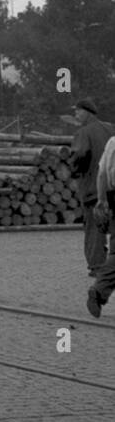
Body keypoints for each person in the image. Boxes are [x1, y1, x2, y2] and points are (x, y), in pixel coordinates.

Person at [70, 97, 114, 275]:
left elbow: (79, 155)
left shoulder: (83, 132)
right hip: (112, 186)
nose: (76, 114)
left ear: (87, 112)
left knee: (95, 228)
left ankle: (97, 266)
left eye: (78, 111)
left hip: (92, 188)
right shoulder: (110, 128)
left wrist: (74, 170)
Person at [87, 136, 115, 318]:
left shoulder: (113, 142)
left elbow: (102, 173)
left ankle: (99, 291)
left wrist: (102, 199)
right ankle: (99, 289)